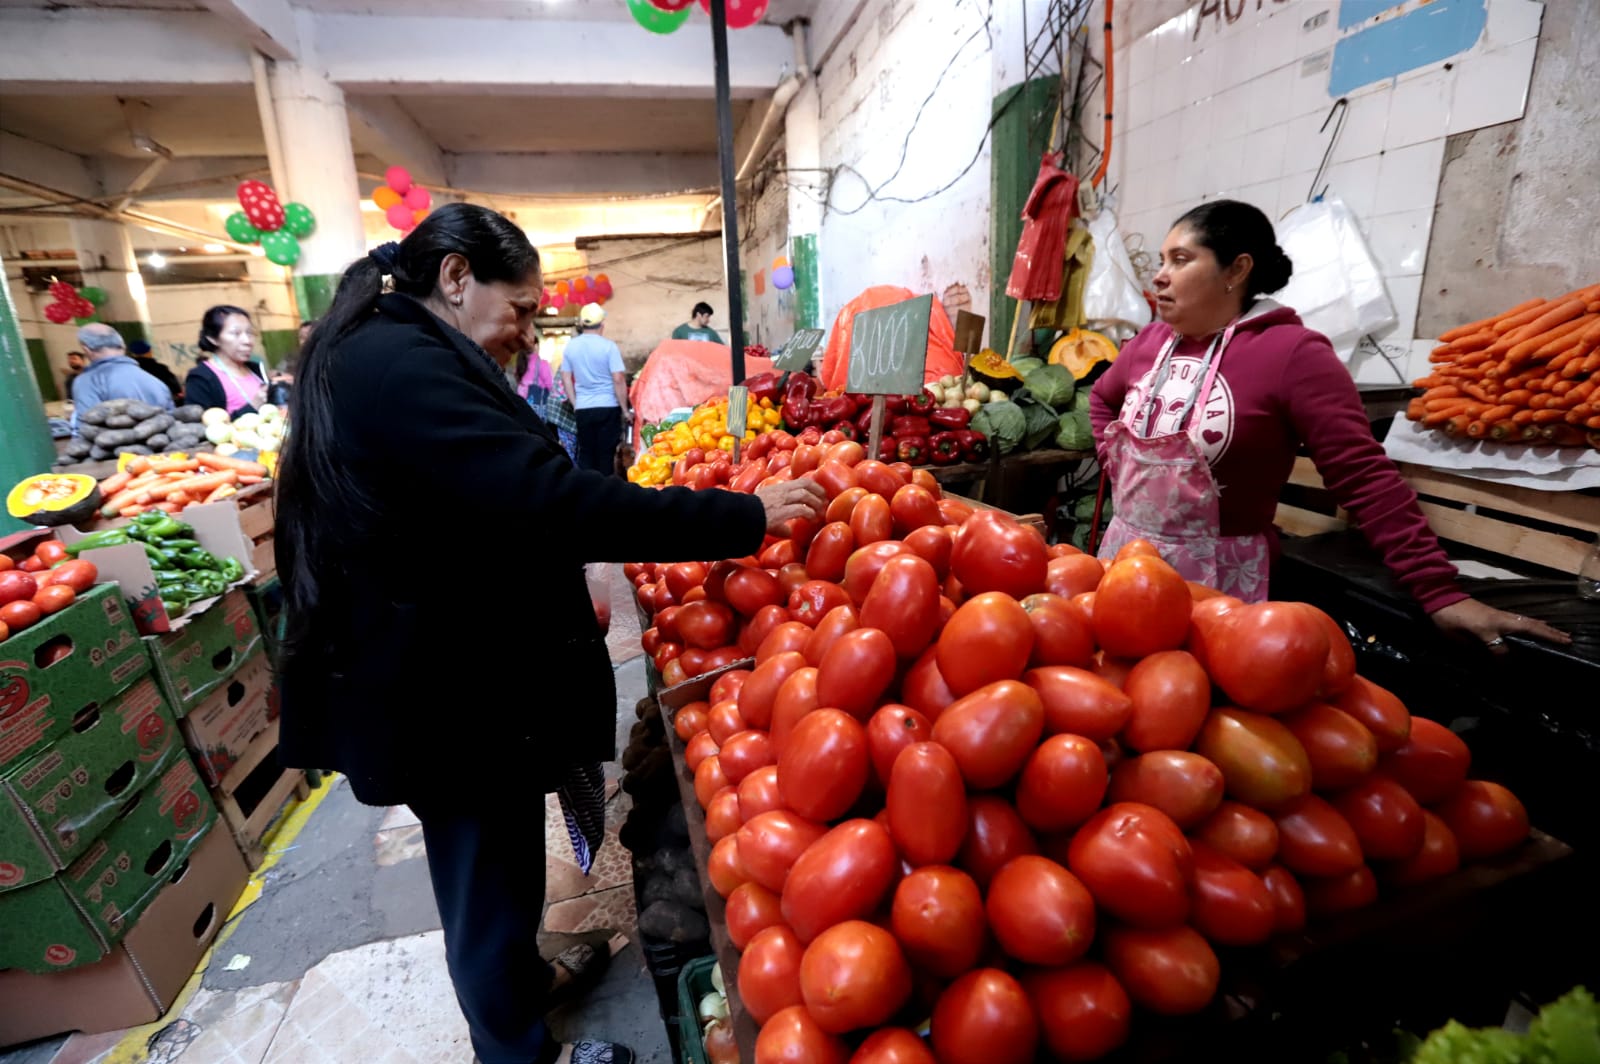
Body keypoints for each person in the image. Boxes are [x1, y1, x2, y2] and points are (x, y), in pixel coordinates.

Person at [272, 203, 825, 1064]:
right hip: (435, 691)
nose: (529, 333)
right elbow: (551, 502)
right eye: (522, 308)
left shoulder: (383, 345)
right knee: (484, 882)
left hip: (435, 669)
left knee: (495, 869)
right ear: (455, 277)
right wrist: (740, 516)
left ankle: (516, 992)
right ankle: (517, 1048)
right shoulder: (397, 362)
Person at [1089, 199, 1570, 653]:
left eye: (1180, 259)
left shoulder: (1293, 356)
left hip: (1217, 582)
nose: (1159, 277)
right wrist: (1121, 469)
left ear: (1237, 269)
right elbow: (1101, 400)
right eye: (1162, 260)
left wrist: (1439, 592)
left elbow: (1363, 476)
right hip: (1124, 560)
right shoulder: (1149, 344)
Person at [560, 304, 630, 475]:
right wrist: (625, 409)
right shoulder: (609, 347)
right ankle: (603, 496)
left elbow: (565, 377)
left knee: (586, 454)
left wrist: (576, 403)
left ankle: (586, 496)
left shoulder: (571, 346)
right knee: (605, 456)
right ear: (602, 325)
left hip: (583, 408)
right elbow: (618, 379)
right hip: (608, 408)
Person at [69, 324, 173, 432]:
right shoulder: (155, 381)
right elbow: (170, 422)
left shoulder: (86, 382)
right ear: (123, 346)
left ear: (86, 350)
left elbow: (85, 430)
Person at [183, 305, 272, 416]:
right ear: (213, 339)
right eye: (236, 333)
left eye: (249, 333)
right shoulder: (201, 378)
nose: (247, 341)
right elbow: (203, 427)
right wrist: (252, 407)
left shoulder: (256, 368)